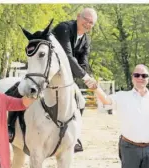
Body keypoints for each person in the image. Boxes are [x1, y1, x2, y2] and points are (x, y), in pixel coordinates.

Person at [93, 64, 149, 168]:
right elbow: (106, 100)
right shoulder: (122, 96)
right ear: (132, 77)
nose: (140, 78)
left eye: (144, 75)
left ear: (148, 78)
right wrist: (95, 88)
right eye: (137, 75)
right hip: (129, 148)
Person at [52, 7, 98, 153]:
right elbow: (67, 56)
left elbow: (83, 63)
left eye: (91, 23)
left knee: (81, 102)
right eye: (86, 20)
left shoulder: (86, 39)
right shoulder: (63, 29)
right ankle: (11, 127)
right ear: (78, 16)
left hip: (65, 78)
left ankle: (74, 136)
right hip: (46, 71)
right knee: (26, 90)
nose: (88, 24)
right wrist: (85, 77)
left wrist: (88, 76)